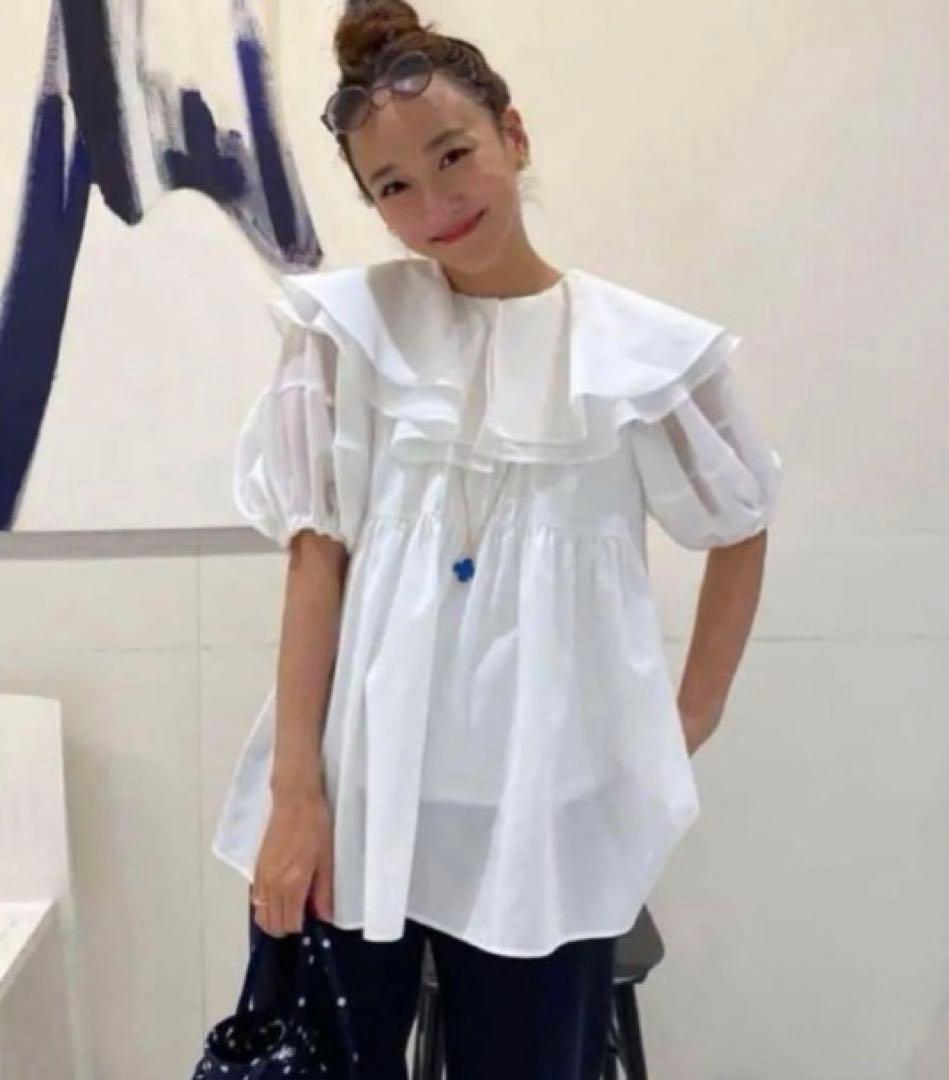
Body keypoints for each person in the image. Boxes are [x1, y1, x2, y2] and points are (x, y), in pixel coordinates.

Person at [211, 1, 783, 1076]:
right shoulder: (346, 332)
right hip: (360, 788)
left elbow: (739, 520)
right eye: (393, 186)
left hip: (544, 808)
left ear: (511, 136)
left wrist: (685, 719)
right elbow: (314, 560)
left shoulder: (640, 349)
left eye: (452, 154)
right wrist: (294, 795)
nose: (434, 203)